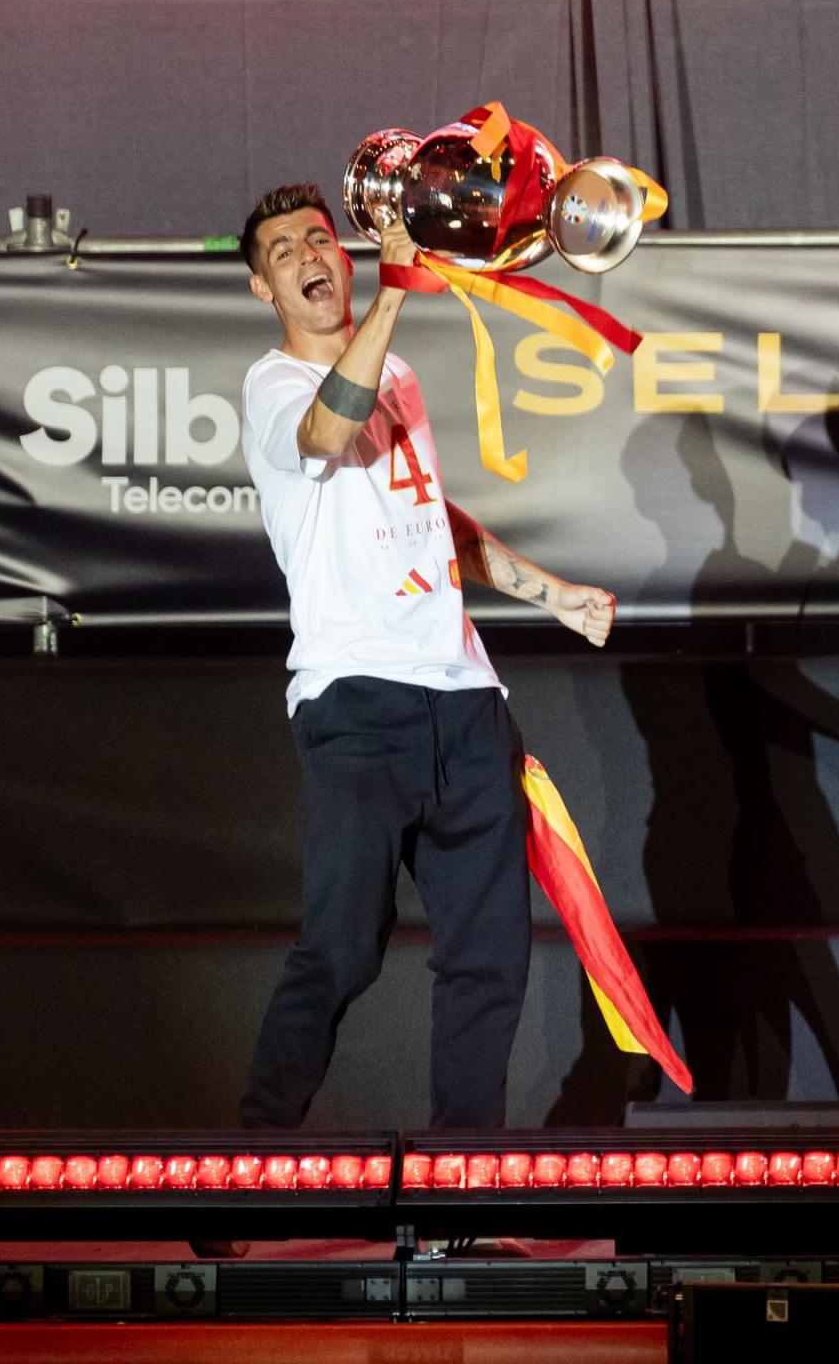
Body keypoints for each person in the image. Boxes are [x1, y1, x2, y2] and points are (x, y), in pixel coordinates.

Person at [237, 182, 615, 1130]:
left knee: (490, 952)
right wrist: (399, 288)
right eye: (286, 252)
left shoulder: (397, 373)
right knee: (341, 946)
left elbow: (430, 518)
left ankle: (463, 1186)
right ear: (263, 289)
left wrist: (551, 593)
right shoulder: (273, 385)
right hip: (357, 706)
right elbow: (328, 428)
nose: (312, 257)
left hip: (465, 699)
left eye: (321, 239)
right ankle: (243, 1166)